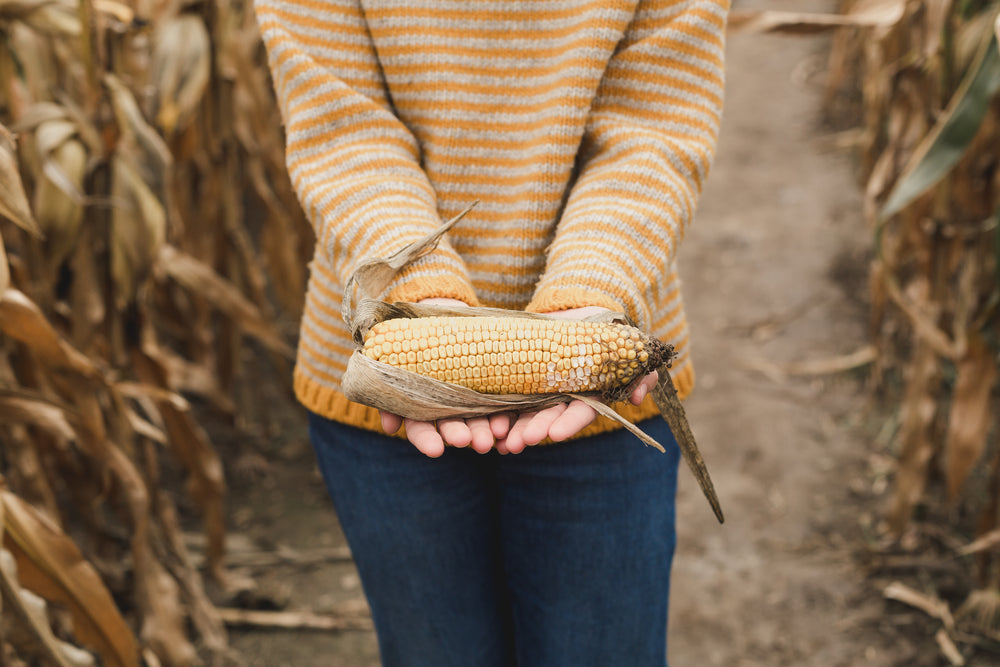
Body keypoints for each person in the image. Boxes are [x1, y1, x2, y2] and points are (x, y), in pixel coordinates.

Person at [254, 1, 728, 665]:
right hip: (393, 381)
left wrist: (592, 292)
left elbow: (655, 126)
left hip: (601, 383)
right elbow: (343, 130)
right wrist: (421, 299)